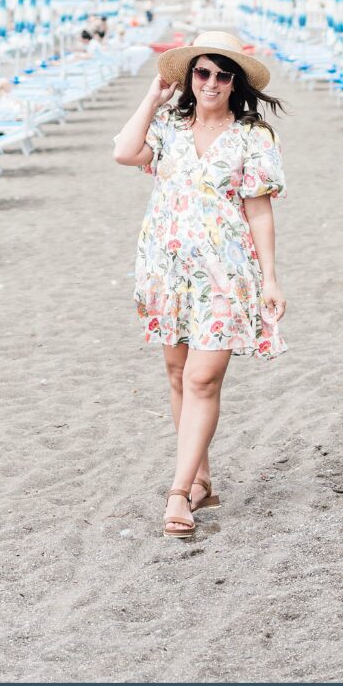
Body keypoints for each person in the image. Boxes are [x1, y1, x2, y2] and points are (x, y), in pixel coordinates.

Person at [112, 27, 287, 540]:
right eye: (202, 72)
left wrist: (271, 279)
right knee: (176, 375)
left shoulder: (253, 137)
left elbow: (259, 212)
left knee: (202, 380)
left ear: (236, 82)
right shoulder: (166, 126)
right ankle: (203, 480)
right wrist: (152, 95)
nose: (211, 82)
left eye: (222, 74)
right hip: (166, 272)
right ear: (190, 76)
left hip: (226, 274)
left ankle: (177, 493)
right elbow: (125, 152)